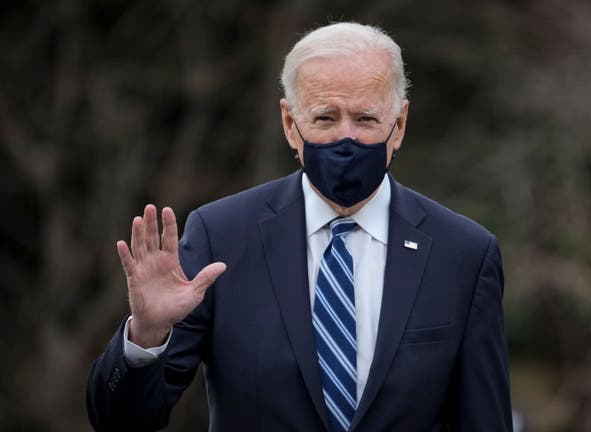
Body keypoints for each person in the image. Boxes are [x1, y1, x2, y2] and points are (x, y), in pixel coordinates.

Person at [87, 22, 512, 431]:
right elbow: (122, 422)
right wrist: (146, 336)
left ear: (398, 125)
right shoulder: (223, 237)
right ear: (291, 124)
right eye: (325, 118)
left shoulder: (463, 255)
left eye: (365, 119)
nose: (346, 139)